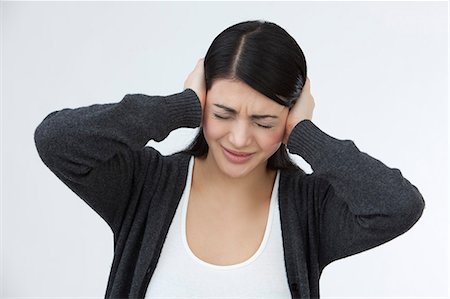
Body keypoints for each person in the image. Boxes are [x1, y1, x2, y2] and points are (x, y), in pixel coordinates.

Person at [34, 20, 425, 299]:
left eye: (264, 121)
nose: (239, 138)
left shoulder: (310, 210)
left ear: (289, 117)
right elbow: (57, 140)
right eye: (222, 114)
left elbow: (398, 205)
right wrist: (181, 106)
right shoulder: (144, 185)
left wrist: (306, 134)